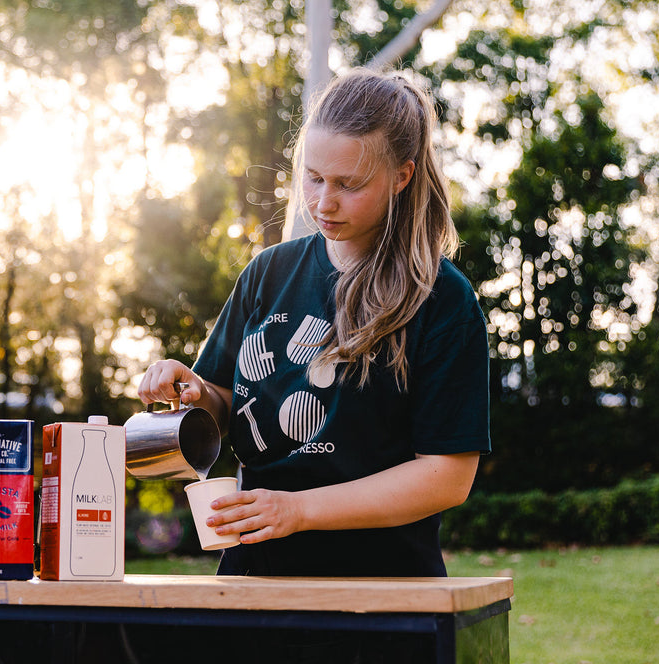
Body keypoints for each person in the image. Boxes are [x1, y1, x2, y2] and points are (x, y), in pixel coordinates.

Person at [137, 68, 491, 578]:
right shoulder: (268, 272)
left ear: (403, 176)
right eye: (314, 177)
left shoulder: (441, 298)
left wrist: (298, 510)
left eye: (349, 185)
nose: (324, 202)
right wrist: (192, 389)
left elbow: (446, 477)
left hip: (383, 592)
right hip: (252, 576)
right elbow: (220, 398)